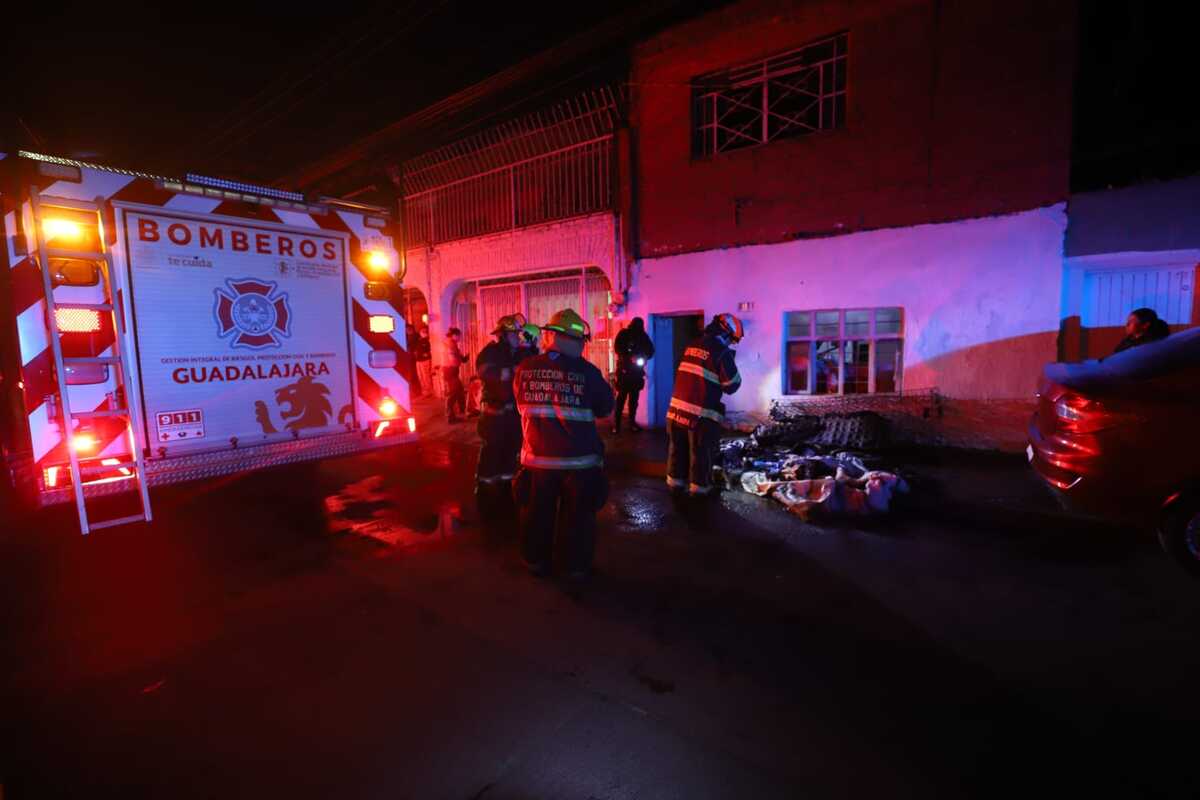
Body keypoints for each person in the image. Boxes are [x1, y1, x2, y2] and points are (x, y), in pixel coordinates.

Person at [513, 308, 614, 580]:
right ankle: (574, 568)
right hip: (579, 464)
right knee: (577, 520)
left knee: (537, 516)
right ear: (577, 341)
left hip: (537, 462)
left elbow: (519, 403)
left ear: (550, 336)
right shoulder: (588, 372)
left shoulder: (525, 368)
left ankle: (535, 562)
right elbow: (606, 409)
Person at [665, 313, 743, 498]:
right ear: (726, 332)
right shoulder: (721, 350)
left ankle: (675, 485)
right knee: (701, 453)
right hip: (699, 415)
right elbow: (732, 384)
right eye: (732, 340)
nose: (731, 344)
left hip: (675, 411)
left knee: (678, 450)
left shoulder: (693, 344)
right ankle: (699, 492)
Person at [475, 314, 526, 492]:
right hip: (494, 411)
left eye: (518, 334)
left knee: (511, 446)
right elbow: (485, 372)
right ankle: (485, 484)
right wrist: (512, 371)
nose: (517, 337)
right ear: (503, 335)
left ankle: (506, 482)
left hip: (513, 413)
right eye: (513, 334)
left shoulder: (519, 353)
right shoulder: (490, 352)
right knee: (492, 448)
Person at [612, 317, 655, 433]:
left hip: (636, 372)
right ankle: (616, 424)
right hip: (624, 371)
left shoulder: (643, 336)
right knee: (621, 398)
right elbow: (617, 348)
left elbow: (651, 350)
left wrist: (644, 356)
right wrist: (628, 356)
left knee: (634, 399)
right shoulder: (624, 334)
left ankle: (632, 423)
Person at [442, 327, 467, 423]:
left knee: (459, 390)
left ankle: (462, 411)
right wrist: (460, 360)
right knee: (453, 393)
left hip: (450, 370)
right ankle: (450, 416)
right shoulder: (450, 344)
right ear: (454, 335)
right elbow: (452, 358)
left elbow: (456, 356)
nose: (460, 338)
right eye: (459, 336)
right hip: (450, 370)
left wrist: (462, 359)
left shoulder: (450, 343)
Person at [413, 326, 432, 398]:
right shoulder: (419, 340)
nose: (424, 333)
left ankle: (429, 391)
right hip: (418, 360)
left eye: (425, 331)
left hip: (425, 360)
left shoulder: (428, 341)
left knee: (426, 376)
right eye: (422, 331)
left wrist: (426, 354)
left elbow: (429, 351)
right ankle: (424, 392)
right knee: (420, 376)